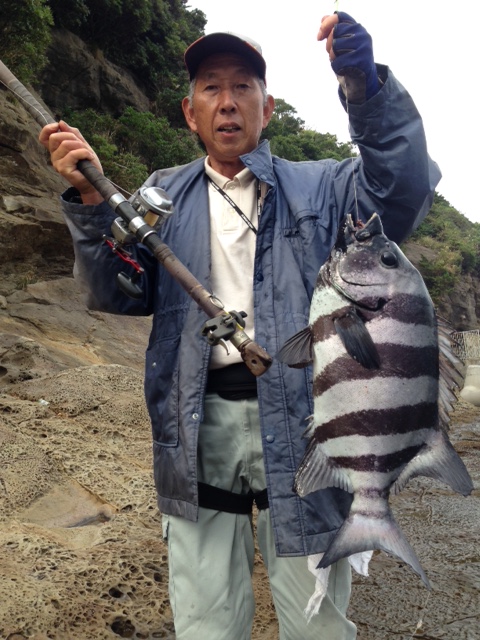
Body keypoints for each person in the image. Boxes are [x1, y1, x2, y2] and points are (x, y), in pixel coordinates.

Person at [40, 12, 441, 640]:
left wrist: (365, 89)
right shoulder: (159, 195)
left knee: (316, 627)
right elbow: (116, 292)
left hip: (309, 422)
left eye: (243, 87)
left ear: (267, 106)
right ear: (189, 112)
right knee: (206, 623)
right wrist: (91, 203)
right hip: (196, 426)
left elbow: (404, 188)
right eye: (211, 87)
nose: (227, 102)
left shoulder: (326, 185)